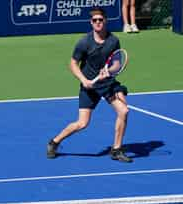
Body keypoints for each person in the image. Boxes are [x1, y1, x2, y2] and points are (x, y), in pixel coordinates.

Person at [47, 7, 133, 163]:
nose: (98, 23)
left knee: (124, 111)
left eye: (101, 20)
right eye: (95, 20)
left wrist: (109, 70)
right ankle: (54, 142)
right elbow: (73, 64)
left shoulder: (113, 40)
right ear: (91, 23)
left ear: (105, 21)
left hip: (107, 84)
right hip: (89, 87)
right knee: (82, 124)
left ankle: (116, 149)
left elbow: (116, 63)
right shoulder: (84, 42)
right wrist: (83, 80)